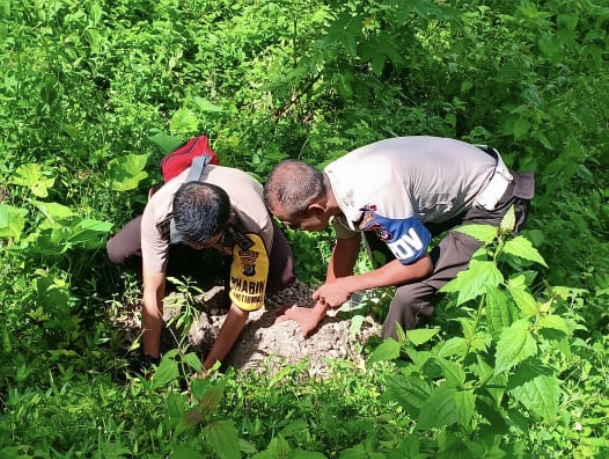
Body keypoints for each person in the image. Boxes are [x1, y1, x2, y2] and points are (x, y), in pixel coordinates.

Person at [263, 136, 534, 339]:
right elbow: (346, 246)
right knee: (375, 238)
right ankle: (384, 301)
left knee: (410, 292)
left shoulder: (374, 201)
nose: (297, 231)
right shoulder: (332, 185)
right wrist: (316, 312)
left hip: (496, 202)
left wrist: (350, 285)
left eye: (295, 225)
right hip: (460, 188)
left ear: (315, 209)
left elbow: (419, 265)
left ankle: (393, 367)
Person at [107, 158, 295, 375]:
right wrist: (149, 359)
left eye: (205, 243)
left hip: (241, 218)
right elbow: (152, 288)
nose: (198, 247)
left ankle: (223, 270)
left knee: (282, 275)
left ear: (229, 221)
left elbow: (241, 307)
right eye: (192, 242)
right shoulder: (160, 210)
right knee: (120, 251)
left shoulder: (254, 224)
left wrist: (207, 371)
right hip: (189, 220)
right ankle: (192, 261)